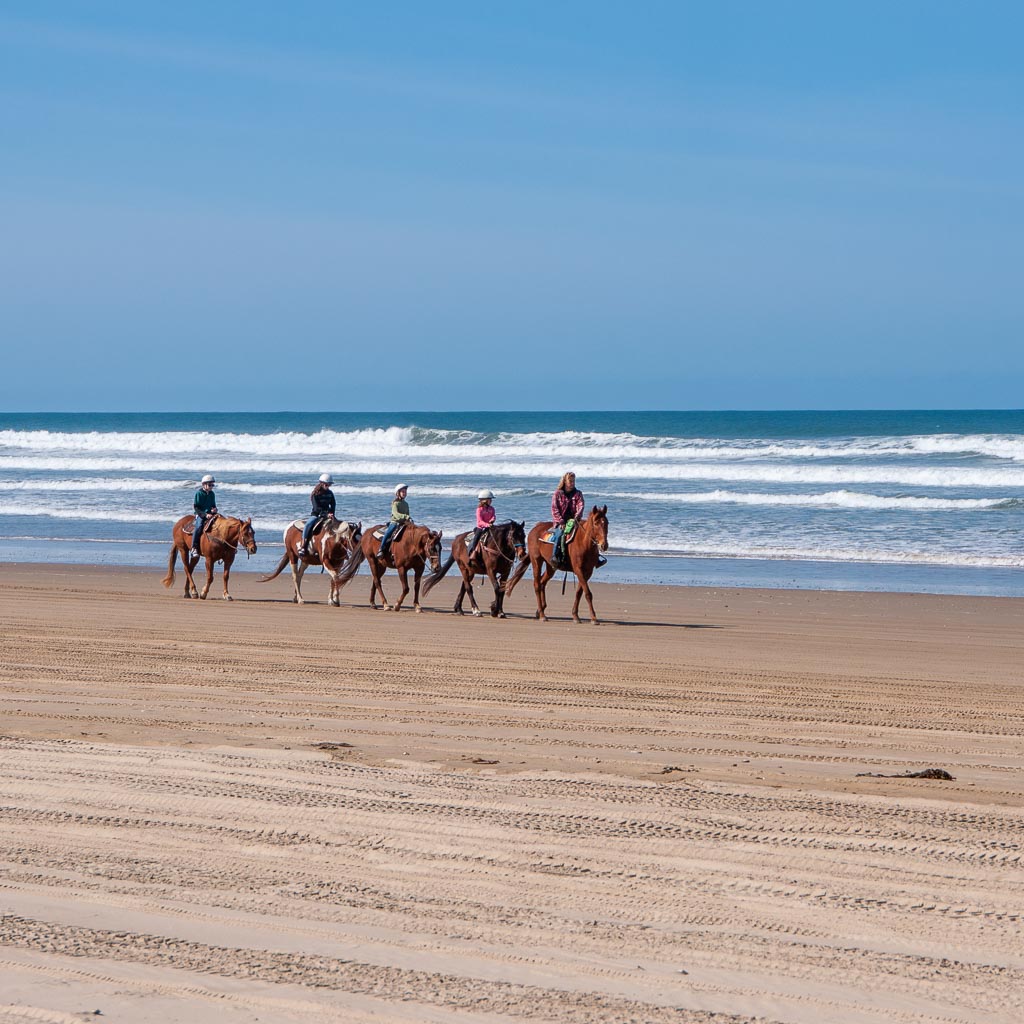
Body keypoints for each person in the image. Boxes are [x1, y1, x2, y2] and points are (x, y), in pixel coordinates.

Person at [550, 471, 584, 567]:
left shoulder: (578, 493)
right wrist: (561, 522)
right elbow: (554, 509)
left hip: (574, 521)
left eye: (573, 481)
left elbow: (580, 506)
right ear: (565, 482)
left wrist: (576, 518)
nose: (572, 483)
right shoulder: (557, 494)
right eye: (570, 481)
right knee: (560, 534)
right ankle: (555, 556)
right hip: (561, 522)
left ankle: (595, 557)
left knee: (587, 532)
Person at [297, 473, 336, 557]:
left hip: (328, 515)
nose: (328, 486)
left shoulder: (330, 493)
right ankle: (303, 546)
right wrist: (326, 514)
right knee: (308, 525)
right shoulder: (315, 494)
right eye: (326, 484)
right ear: (321, 483)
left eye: (329, 484)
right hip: (317, 515)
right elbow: (317, 507)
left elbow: (333, 504)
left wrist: (332, 513)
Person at [378, 483, 411, 560]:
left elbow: (407, 514)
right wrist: (405, 516)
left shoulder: (406, 504)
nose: (404, 493)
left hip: (404, 523)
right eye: (402, 491)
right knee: (388, 533)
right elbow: (396, 514)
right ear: (398, 493)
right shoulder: (395, 503)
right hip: (395, 523)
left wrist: (408, 519)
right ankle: (381, 549)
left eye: (405, 491)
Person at [191, 474, 218, 558]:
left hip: (211, 514)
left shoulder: (212, 494)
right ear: (204, 485)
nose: (211, 487)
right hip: (201, 514)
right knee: (198, 527)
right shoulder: (199, 493)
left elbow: (213, 505)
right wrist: (205, 515)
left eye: (212, 485)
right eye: (209, 485)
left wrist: (214, 509)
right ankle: (194, 548)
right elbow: (196, 507)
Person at [465, 489, 496, 560]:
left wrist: (492, 520)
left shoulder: (492, 509)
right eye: (489, 499)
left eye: (491, 499)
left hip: (490, 527)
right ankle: (473, 552)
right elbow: (480, 522)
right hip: (481, 528)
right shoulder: (479, 510)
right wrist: (487, 525)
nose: (491, 501)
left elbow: (493, 516)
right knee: (476, 538)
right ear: (484, 500)